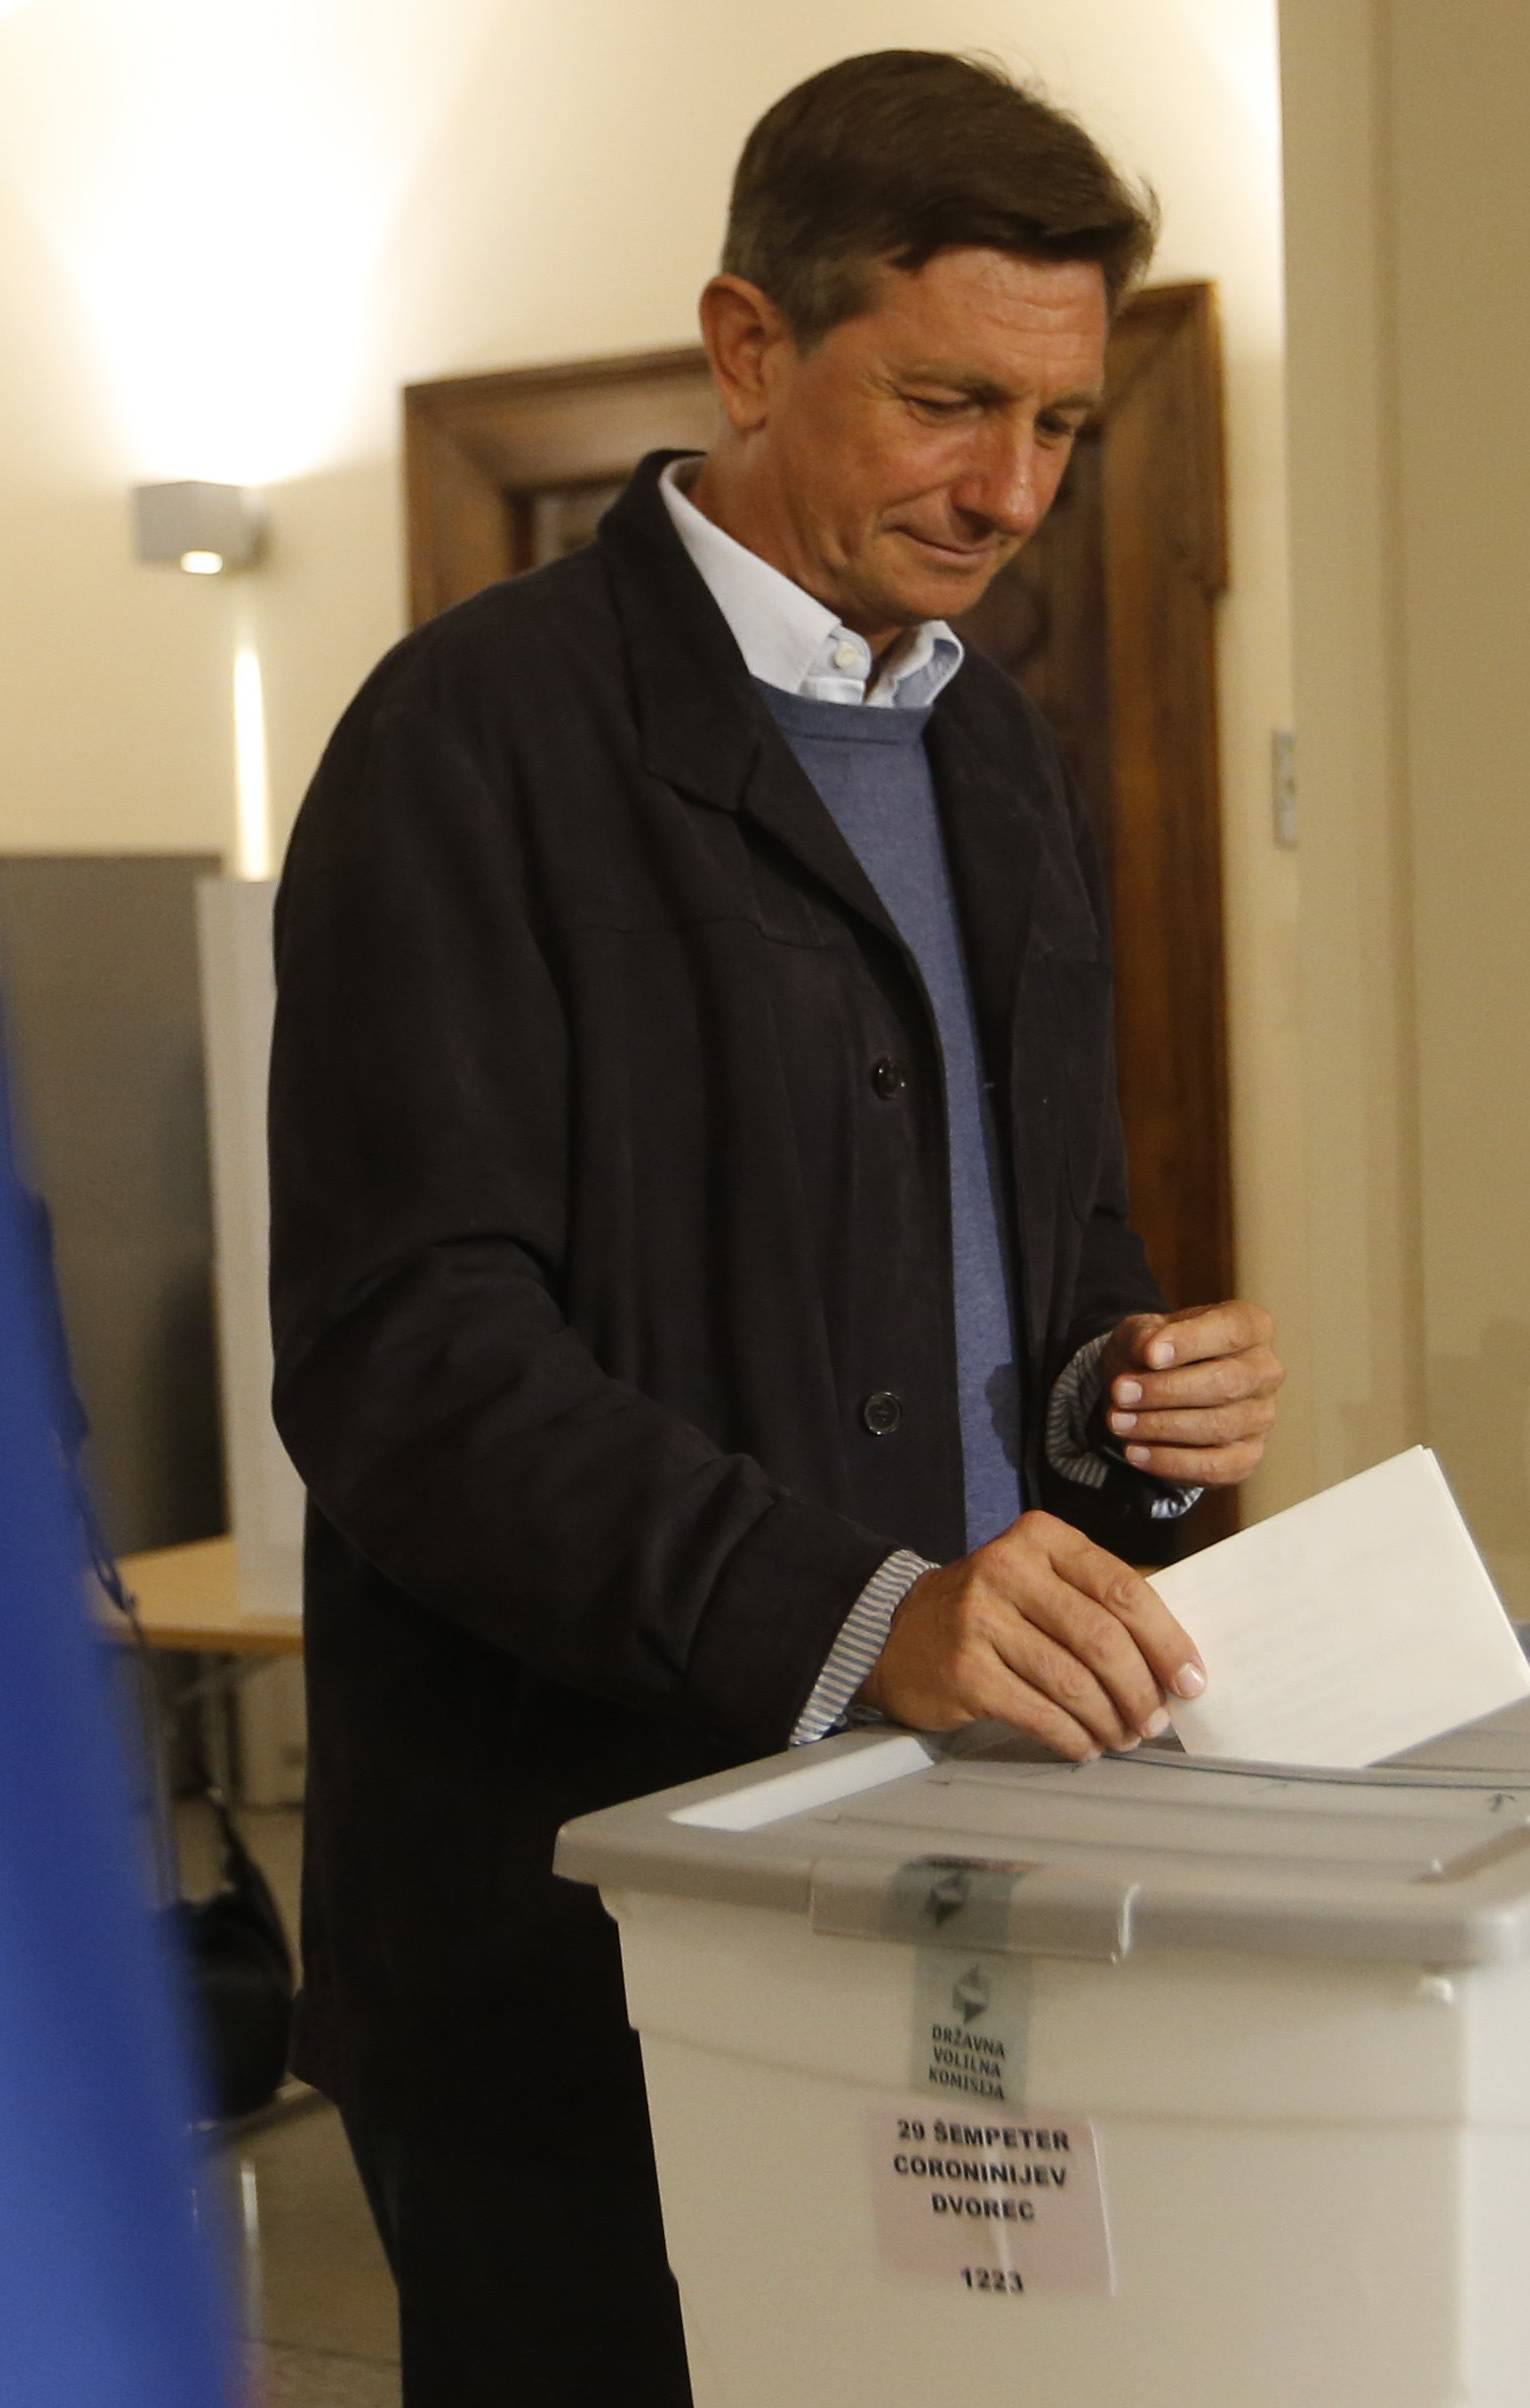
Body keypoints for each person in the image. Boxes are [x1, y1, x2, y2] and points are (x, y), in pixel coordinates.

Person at [268, 47, 1282, 2407]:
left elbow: (1049, 1262)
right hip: (563, 1950)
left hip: (927, 1912)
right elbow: (409, 1357)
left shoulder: (994, 755)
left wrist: (1129, 1404)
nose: (1010, 491)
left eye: (1057, 429)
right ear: (746, 346)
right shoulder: (470, 736)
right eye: (948, 404)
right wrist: (866, 1613)